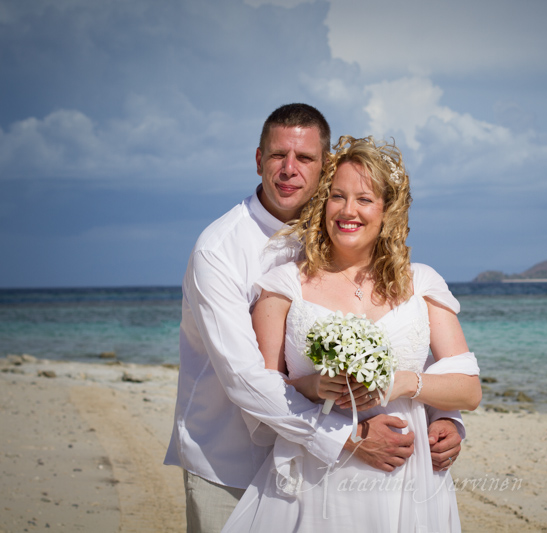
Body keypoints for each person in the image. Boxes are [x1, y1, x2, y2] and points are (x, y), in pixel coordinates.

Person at [164, 104, 466, 533]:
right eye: (276, 156)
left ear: (324, 168)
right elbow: (246, 378)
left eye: (304, 158)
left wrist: (444, 418)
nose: (289, 169)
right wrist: (350, 436)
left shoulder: (340, 230)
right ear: (258, 160)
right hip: (230, 460)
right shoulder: (220, 250)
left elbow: (407, 338)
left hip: (327, 466)